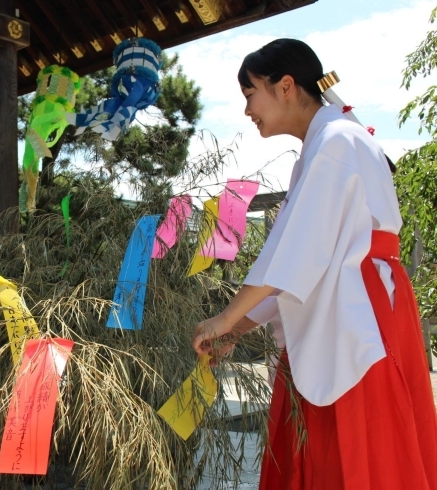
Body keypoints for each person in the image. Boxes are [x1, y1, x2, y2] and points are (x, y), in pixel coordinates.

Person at [192, 39, 437, 489]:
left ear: (286, 86)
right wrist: (237, 328)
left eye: (250, 94)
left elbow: (296, 252)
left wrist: (227, 319)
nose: (248, 110)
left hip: (357, 316)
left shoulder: (337, 142)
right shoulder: (328, 142)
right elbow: (300, 260)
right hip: (342, 305)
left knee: (358, 453)